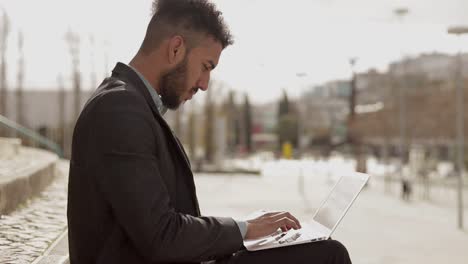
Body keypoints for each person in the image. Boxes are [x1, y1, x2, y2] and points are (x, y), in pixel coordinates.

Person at [67, 0, 352, 263]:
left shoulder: (129, 104)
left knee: (319, 251)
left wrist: (248, 233)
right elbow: (162, 237)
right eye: (206, 67)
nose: (204, 84)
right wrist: (245, 230)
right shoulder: (119, 109)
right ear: (176, 48)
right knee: (327, 256)